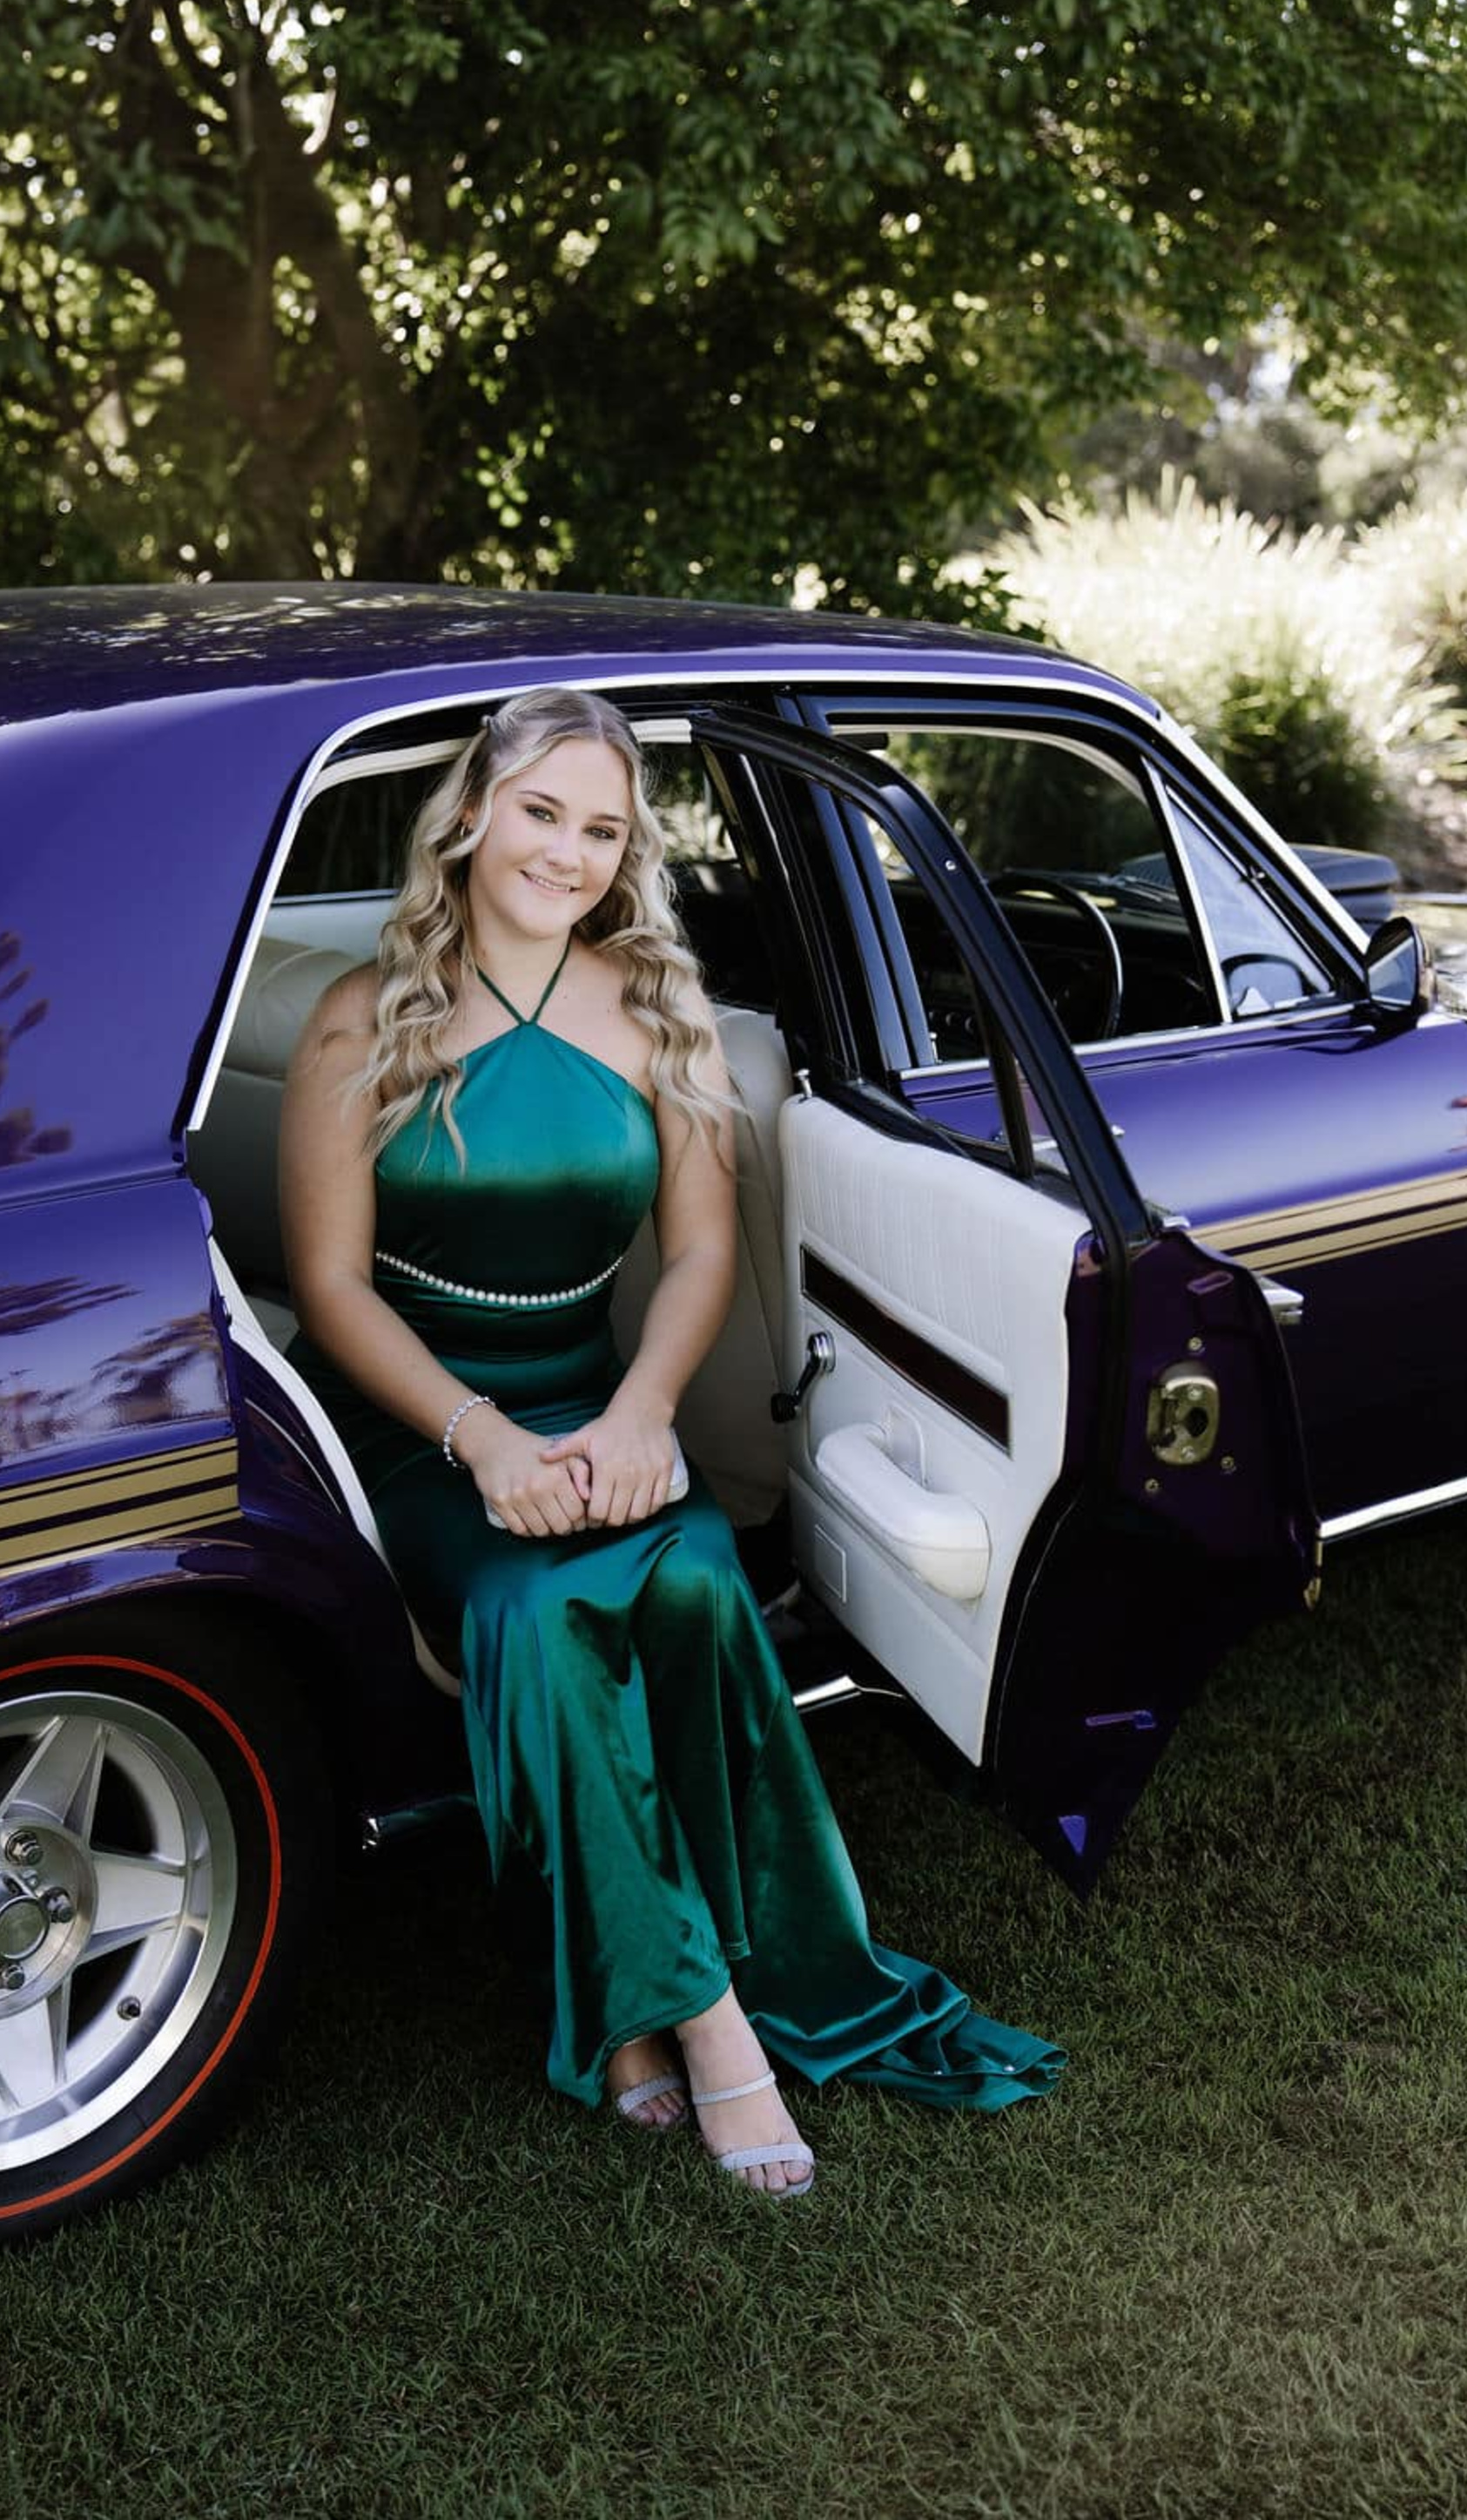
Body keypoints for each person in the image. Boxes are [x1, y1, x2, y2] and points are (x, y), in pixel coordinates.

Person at [279, 685, 1062, 2197]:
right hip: (416, 1419)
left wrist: (641, 1414)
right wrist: (480, 1440)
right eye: (540, 811)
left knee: (698, 1580)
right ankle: (707, 2019)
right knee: (533, 1611)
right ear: (471, 812)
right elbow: (328, 1285)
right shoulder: (357, 1016)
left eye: (602, 828)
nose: (564, 853)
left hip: (599, 1403)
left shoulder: (658, 1009)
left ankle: (631, 1997)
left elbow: (701, 1253)